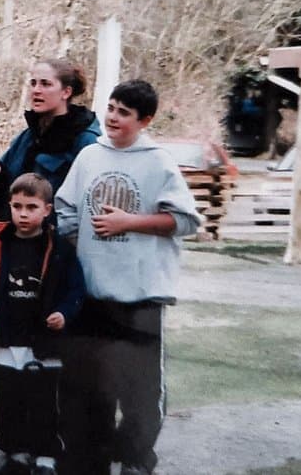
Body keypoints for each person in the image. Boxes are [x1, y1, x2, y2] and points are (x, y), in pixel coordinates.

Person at [54, 80, 201, 475]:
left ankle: (137, 459)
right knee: (90, 390)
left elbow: (187, 221)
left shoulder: (158, 163)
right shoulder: (88, 156)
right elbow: (66, 209)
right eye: (112, 108)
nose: (114, 118)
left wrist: (129, 222)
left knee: (140, 392)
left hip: (140, 297)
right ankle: (92, 461)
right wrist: (79, 243)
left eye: (124, 113)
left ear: (145, 120)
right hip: (92, 295)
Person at [0, 173, 84, 475]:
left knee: (44, 400)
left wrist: (64, 312)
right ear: (9, 205)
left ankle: (46, 455)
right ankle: (17, 454)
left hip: (44, 341)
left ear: (47, 209)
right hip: (7, 337)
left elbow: (75, 288)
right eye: (17, 206)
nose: (23, 213)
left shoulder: (59, 247)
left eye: (31, 207)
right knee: (10, 399)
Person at [0, 58, 101, 219]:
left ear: (66, 92)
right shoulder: (29, 135)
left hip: (58, 238)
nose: (36, 90)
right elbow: (7, 187)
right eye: (33, 83)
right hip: (17, 236)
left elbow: (91, 201)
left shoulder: (86, 140)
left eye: (45, 84)